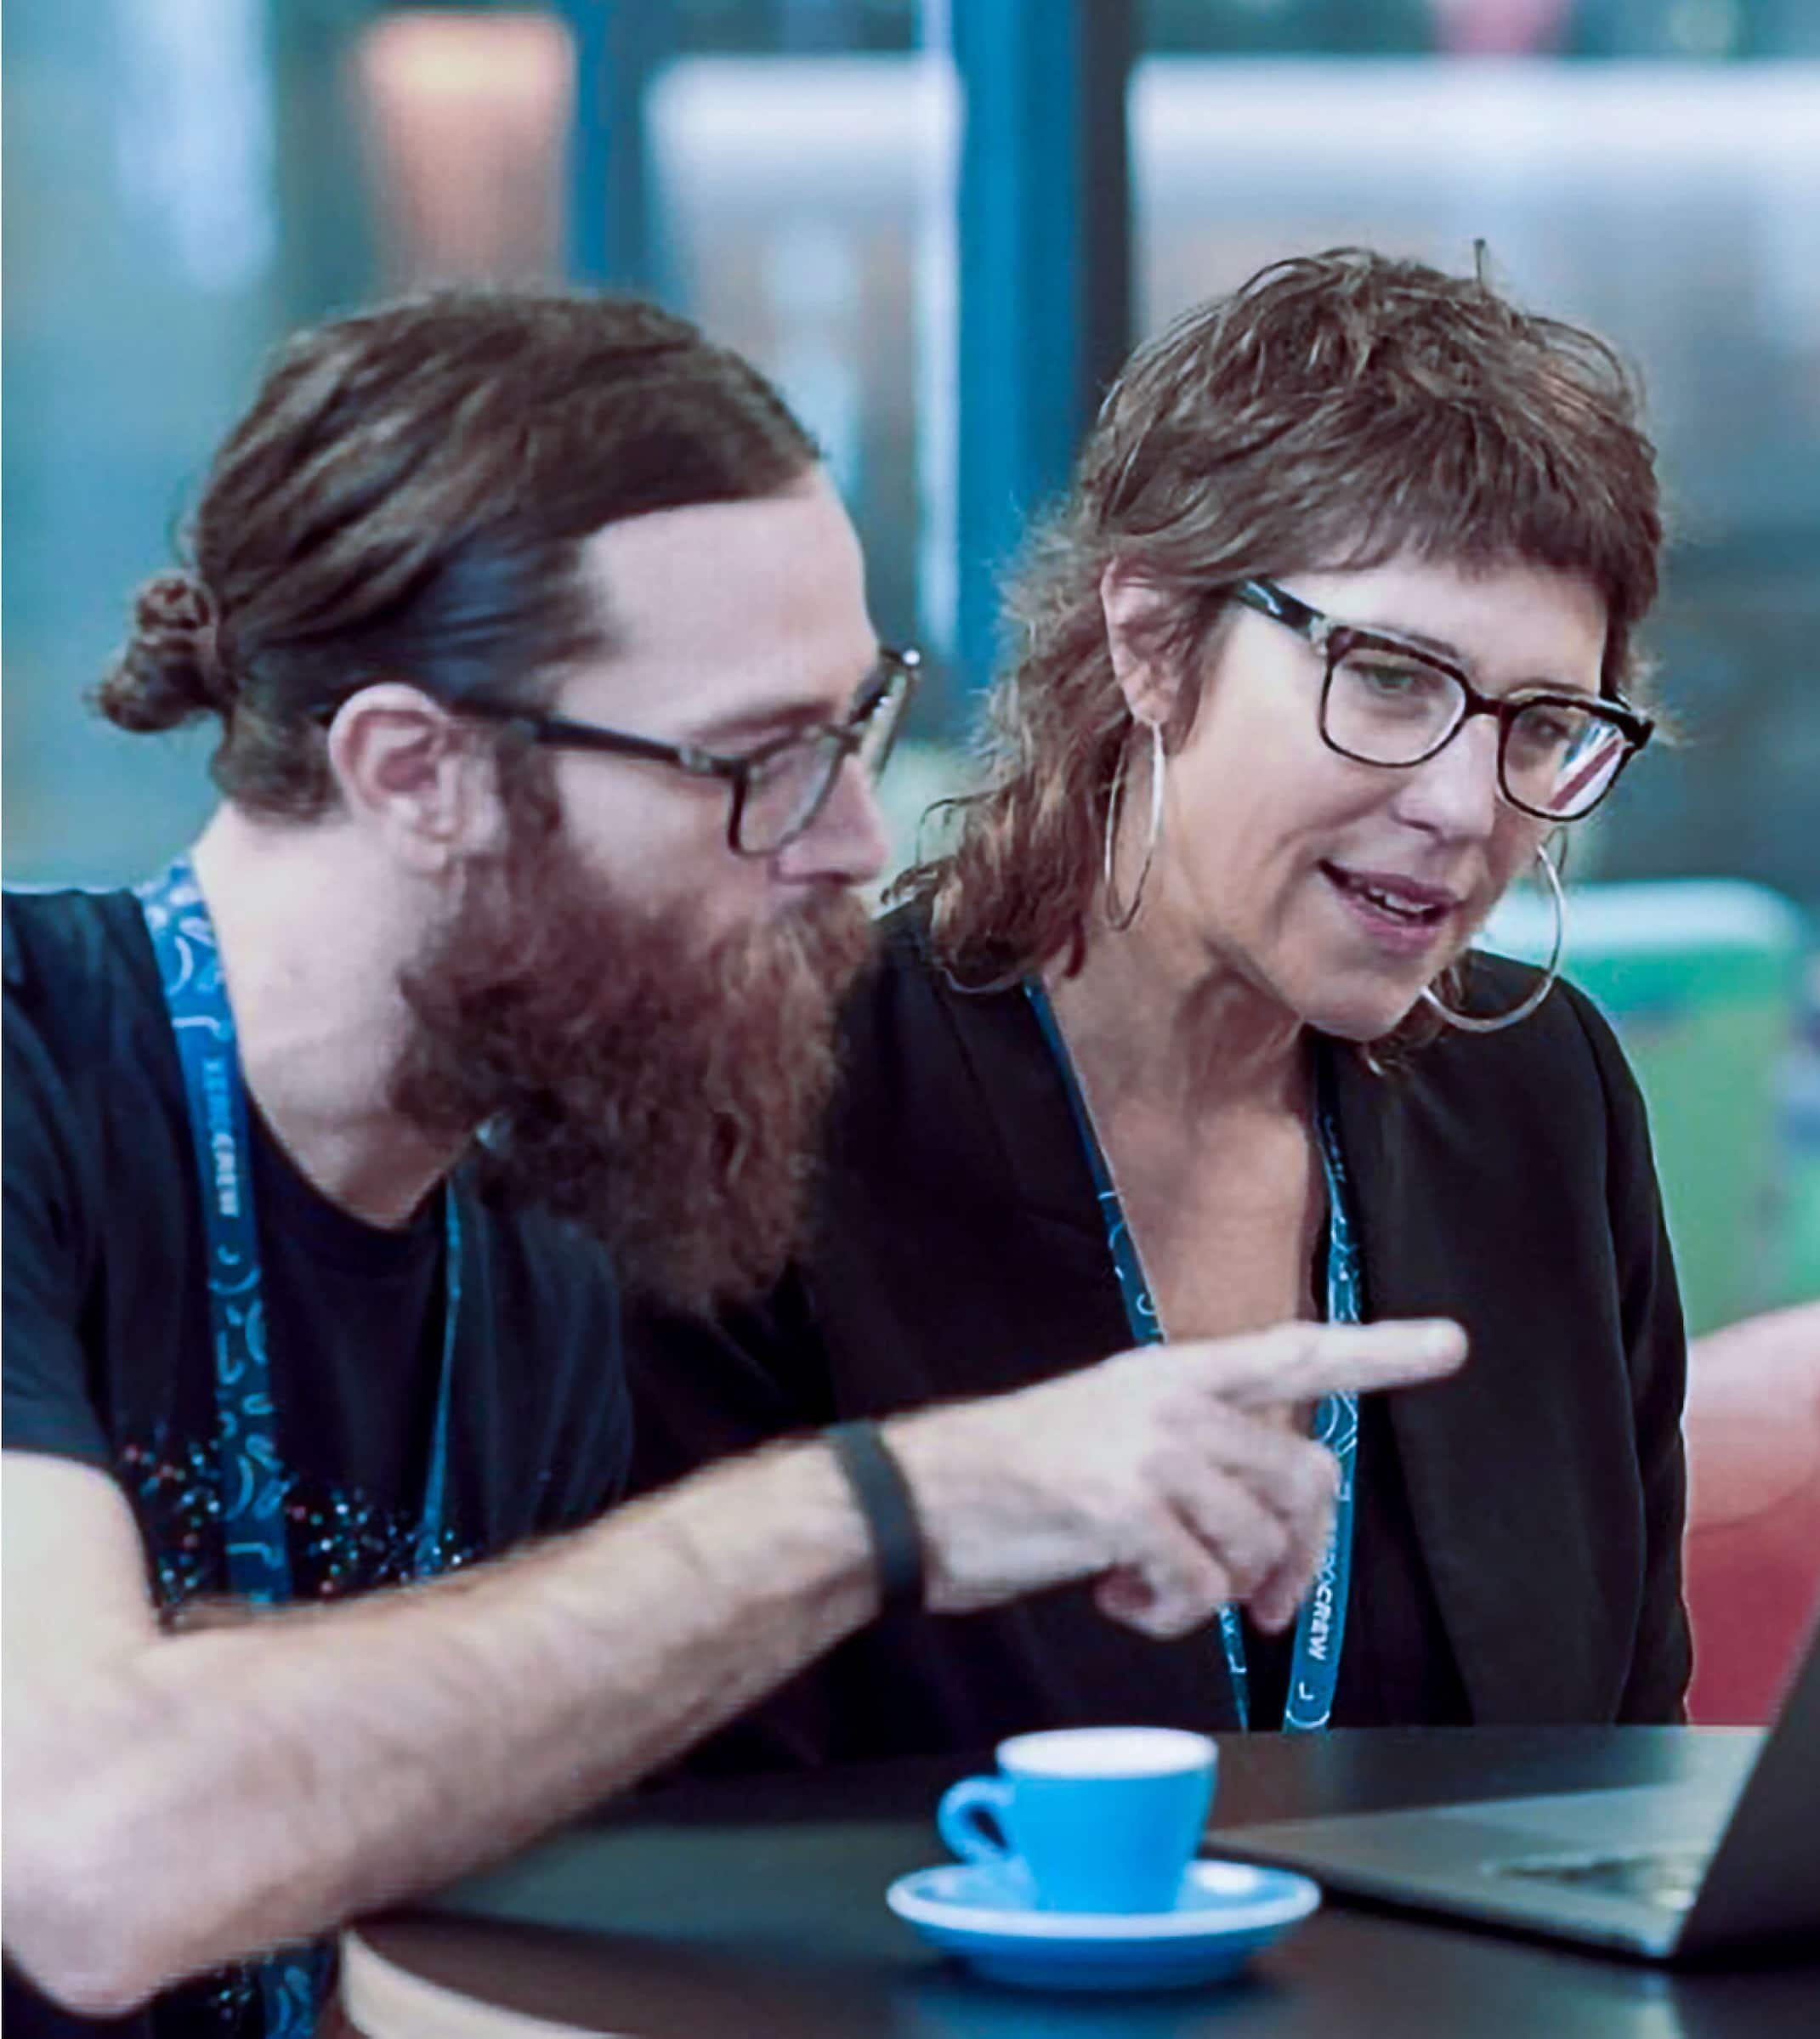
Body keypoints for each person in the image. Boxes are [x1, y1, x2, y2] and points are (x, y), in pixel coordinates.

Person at [0, 291, 1467, 2037]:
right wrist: (900, 1502)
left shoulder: (539, 1228)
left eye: (854, 731)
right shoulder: (32, 1075)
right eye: (764, 761)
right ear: (416, 770)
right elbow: (91, 1859)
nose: (854, 841)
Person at [634, 249, 1690, 1755]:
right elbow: (677, 1825)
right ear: (1151, 641)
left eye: (1542, 723)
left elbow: (1631, 1756)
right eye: (1389, 677)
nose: (1468, 805)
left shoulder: (1543, 1096)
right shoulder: (776, 1108)